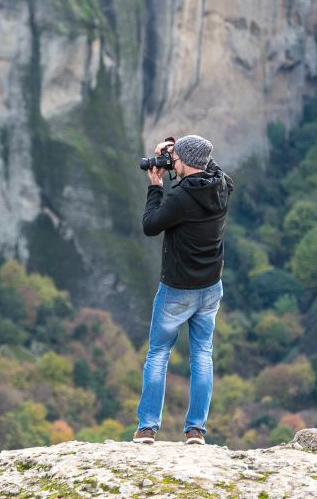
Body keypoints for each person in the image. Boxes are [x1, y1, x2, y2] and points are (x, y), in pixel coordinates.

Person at [132, 135, 233, 446]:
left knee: (159, 353)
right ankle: (195, 431)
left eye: (175, 159)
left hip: (177, 289)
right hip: (210, 287)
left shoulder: (181, 199)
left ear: (185, 163)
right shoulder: (222, 185)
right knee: (202, 355)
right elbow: (206, 163)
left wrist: (154, 186)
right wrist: (176, 148)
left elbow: (150, 225)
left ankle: (147, 428)